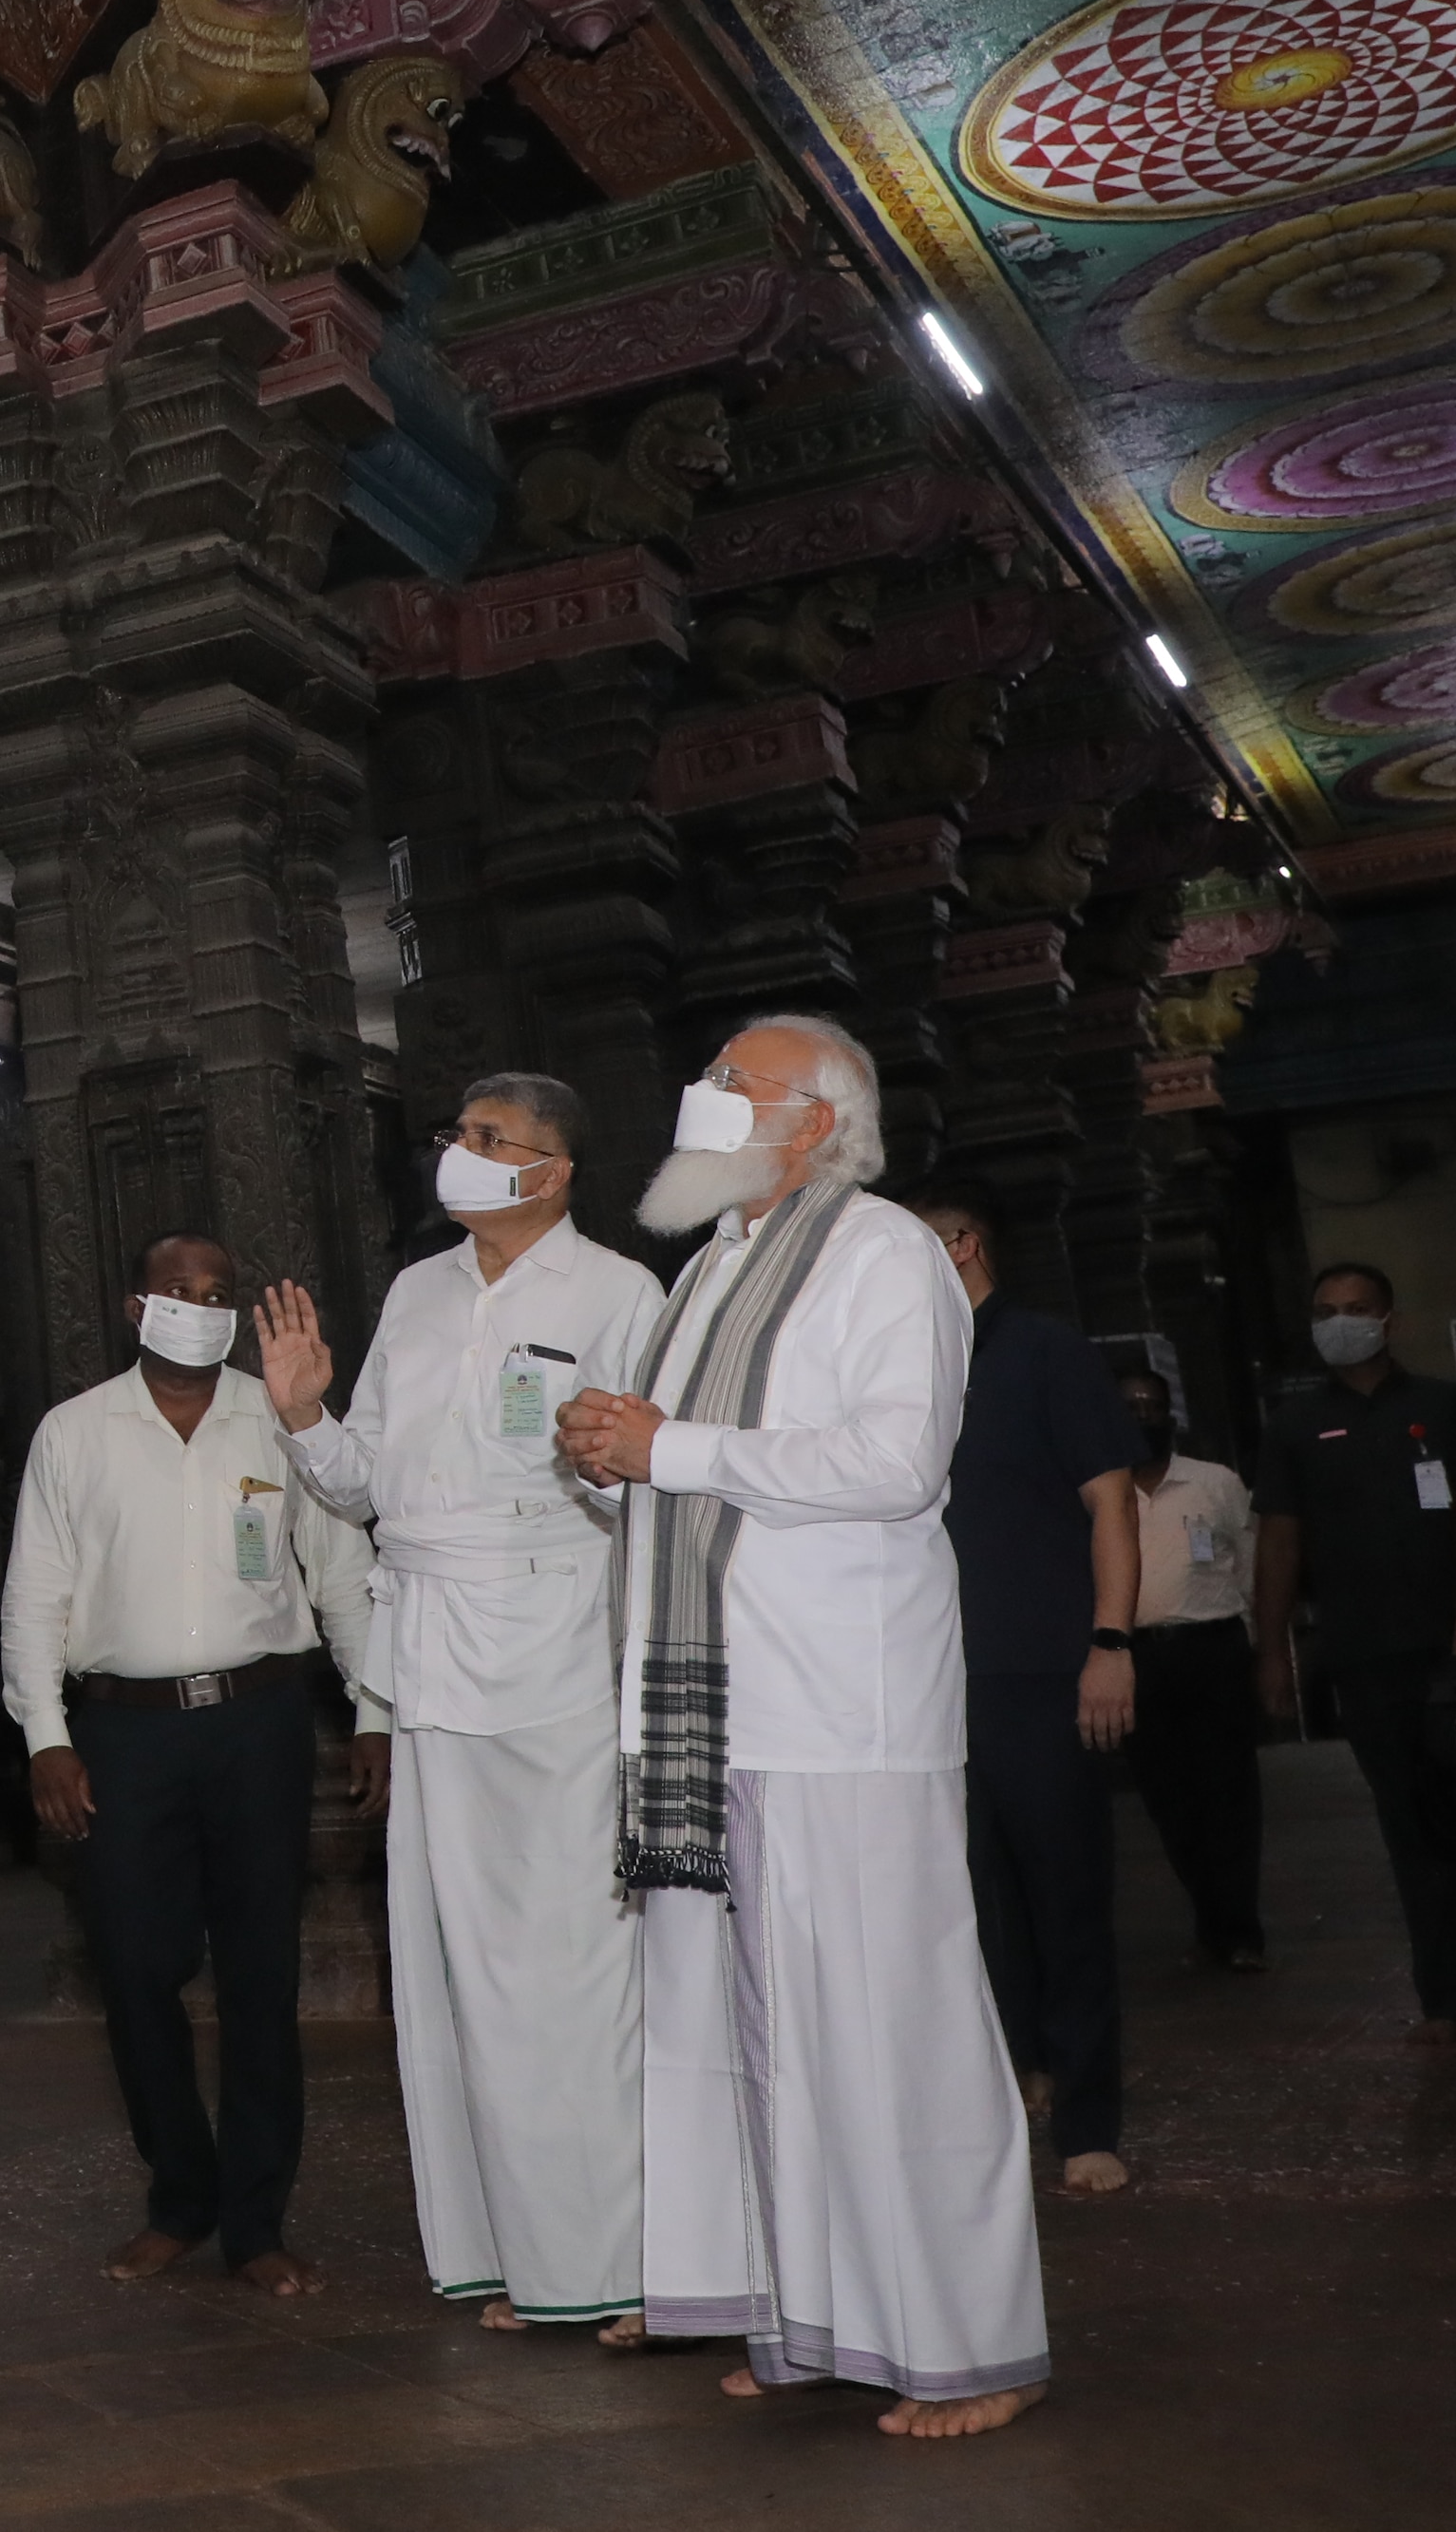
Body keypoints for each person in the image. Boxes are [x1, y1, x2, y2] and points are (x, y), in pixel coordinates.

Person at [558, 1015, 1048, 2440]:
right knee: (769, 2042)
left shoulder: (885, 1251)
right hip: (727, 1710)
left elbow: (899, 1463)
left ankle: (979, 2341)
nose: (701, 1097)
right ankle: (818, 2317)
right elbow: (682, 1482)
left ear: (819, 1122)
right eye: (707, 1077)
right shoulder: (708, 1267)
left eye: (732, 1081)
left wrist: (670, 1448)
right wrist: (607, 1458)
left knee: (898, 2033)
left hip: (846, 1709)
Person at [257, 1074, 666, 2334]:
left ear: (554, 1170)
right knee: (457, 1969)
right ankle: (515, 2252)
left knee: (571, 1961)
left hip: (553, 1644)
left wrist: (599, 1463)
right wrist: (305, 1412)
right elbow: (363, 1483)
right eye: (460, 1134)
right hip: (430, 1645)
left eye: (495, 1140)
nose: (463, 1153)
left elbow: (643, 1484)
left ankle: (629, 2260)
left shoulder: (618, 1293)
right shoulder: (419, 1290)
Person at [1, 1233, 381, 2299]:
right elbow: (34, 1597)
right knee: (134, 1969)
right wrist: (46, 1735)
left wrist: (373, 1708)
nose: (198, 1308)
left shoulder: (278, 1417)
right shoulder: (74, 1433)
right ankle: (179, 2197)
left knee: (261, 1974)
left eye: (218, 1295)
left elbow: (341, 1570)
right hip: (122, 1734)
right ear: (136, 1307)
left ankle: (254, 2223)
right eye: (177, 1291)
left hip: (256, 1722)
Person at [905, 1181, 1140, 2195]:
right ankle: (1012, 2076)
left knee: (1063, 1893)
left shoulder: (1042, 1352)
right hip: (926, 1677)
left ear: (959, 1244)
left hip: (1043, 1669)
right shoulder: (901, 1371)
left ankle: (1088, 2122)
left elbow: (1110, 1503)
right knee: (967, 1900)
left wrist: (1109, 1641)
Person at [1256, 1262, 1456, 2045]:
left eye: (1355, 1309)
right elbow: (1279, 1541)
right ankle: (1448, 1997)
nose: (1340, 1321)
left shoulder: (1445, 1407)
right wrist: (1271, 1646)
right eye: (1325, 1311)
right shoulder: (1297, 1426)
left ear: (1390, 1319)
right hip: (1368, 1659)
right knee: (1413, 1826)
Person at [1118, 1364, 1267, 1973]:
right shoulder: (1098, 1493)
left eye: (1152, 1405)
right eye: (1129, 1406)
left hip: (1213, 1651)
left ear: (1171, 1414)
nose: (1142, 1416)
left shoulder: (1215, 1483)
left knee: (1228, 1795)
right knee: (1169, 1801)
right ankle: (1210, 1925)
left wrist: (1258, 1646)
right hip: (1140, 1660)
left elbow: (1250, 1563)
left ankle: (1242, 1932)